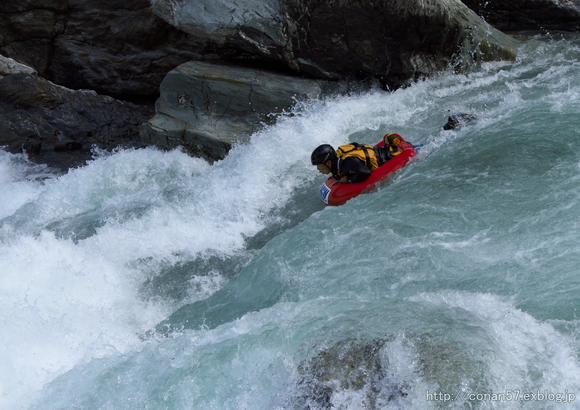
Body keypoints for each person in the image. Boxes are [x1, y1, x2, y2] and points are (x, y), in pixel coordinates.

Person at [311, 135, 403, 184]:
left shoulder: (346, 165)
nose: (319, 170)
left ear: (328, 162)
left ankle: (398, 146)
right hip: (379, 151)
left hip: (387, 157)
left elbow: (365, 172)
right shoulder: (339, 152)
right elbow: (355, 144)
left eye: (319, 167)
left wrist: (348, 179)